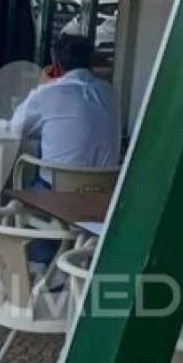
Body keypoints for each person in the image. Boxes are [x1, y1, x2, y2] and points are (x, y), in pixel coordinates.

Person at [9, 33, 119, 265]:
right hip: (105, 192)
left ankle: (39, 265)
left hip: (61, 193)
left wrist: (41, 86)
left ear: (56, 66)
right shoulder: (109, 93)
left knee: (31, 187)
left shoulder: (50, 92)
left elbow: (16, 127)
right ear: (90, 61)